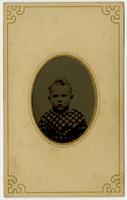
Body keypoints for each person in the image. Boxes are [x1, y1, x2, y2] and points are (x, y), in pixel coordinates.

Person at [39, 78, 87, 143]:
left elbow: (85, 140)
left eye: (64, 96)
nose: (59, 99)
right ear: (49, 99)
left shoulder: (78, 117)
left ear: (71, 97)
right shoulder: (45, 119)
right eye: (55, 96)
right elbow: (40, 141)